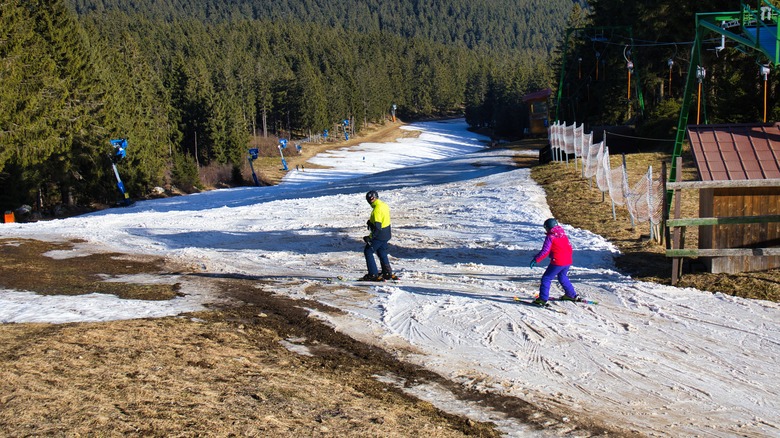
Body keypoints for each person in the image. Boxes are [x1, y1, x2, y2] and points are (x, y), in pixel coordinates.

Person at [530, 218, 580, 307]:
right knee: (562, 276)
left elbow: (545, 251)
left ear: (548, 227)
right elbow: (569, 247)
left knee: (546, 278)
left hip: (558, 261)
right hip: (567, 260)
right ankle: (571, 295)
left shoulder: (550, 237)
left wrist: (536, 259)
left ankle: (542, 299)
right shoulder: (563, 235)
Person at [361, 190, 398, 281]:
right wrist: (371, 222)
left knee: (368, 251)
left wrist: (370, 238)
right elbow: (383, 218)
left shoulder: (376, 210)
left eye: (370, 199)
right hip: (387, 233)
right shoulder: (384, 205)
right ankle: (387, 272)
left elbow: (378, 227)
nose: (370, 200)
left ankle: (373, 274)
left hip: (379, 235)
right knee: (381, 251)